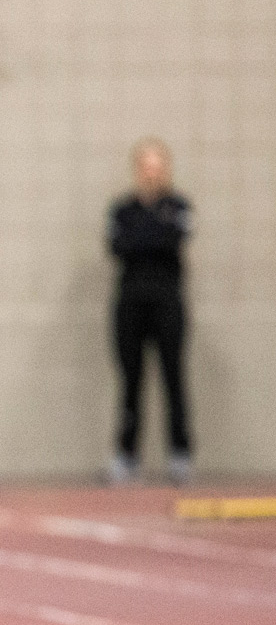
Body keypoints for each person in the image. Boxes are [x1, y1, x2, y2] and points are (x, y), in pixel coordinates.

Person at [108, 138, 192, 485]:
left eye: (157, 166)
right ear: (137, 170)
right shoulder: (122, 209)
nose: (151, 172)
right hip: (131, 304)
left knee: (174, 377)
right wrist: (151, 236)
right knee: (131, 381)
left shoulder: (179, 205)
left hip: (167, 303)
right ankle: (127, 455)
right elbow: (117, 246)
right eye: (146, 166)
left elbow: (172, 241)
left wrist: (144, 238)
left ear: (166, 169)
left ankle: (180, 453)